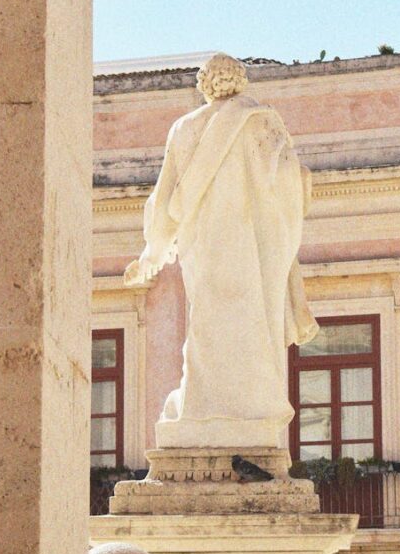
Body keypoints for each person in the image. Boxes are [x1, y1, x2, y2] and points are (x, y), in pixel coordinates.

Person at [124, 53, 318, 449]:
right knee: (247, 322)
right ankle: (249, 406)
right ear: (240, 81)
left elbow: (164, 198)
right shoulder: (261, 122)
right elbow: (285, 178)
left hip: (204, 245)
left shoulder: (185, 128)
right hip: (246, 244)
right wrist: (301, 185)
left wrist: (153, 251)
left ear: (204, 85)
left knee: (208, 323)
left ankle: (201, 404)